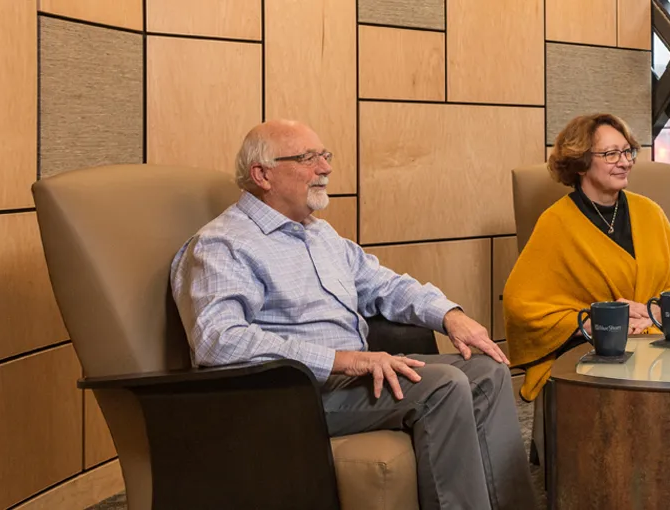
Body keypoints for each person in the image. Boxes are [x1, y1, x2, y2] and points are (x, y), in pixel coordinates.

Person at [170, 119, 537, 510]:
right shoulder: (223, 243)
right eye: (307, 158)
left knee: (487, 373)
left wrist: (449, 315)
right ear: (263, 174)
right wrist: (342, 360)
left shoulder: (318, 233)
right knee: (442, 385)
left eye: (324, 156)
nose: (325, 168)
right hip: (288, 397)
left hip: (348, 381)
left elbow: (385, 285)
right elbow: (218, 341)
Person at [504, 113, 670, 402]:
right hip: (597, 347)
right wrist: (594, 321)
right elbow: (522, 306)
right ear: (581, 162)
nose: (625, 161)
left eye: (627, 151)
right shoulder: (555, 223)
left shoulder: (651, 212)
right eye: (611, 153)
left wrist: (649, 312)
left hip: (658, 334)